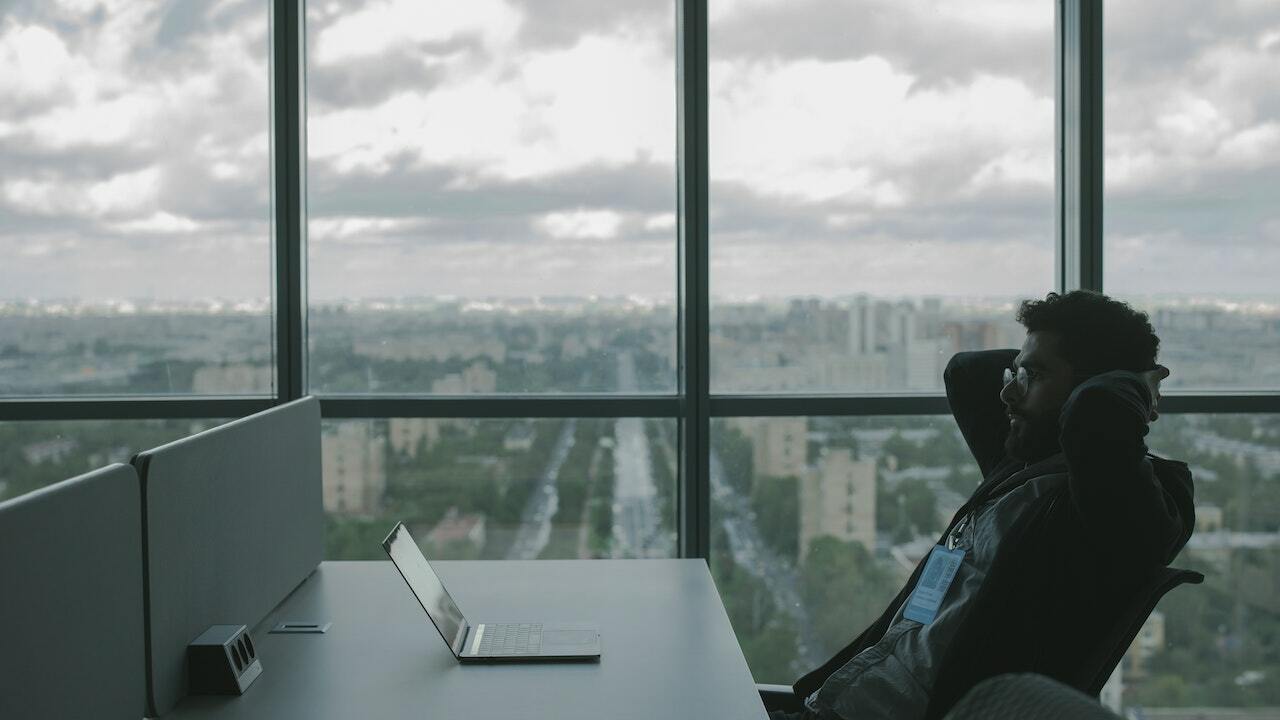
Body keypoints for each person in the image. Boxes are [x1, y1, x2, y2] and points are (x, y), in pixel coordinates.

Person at [770, 290, 1195, 720]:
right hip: (835, 703)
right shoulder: (1018, 464)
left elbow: (1095, 415)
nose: (1008, 393)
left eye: (1032, 376)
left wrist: (1128, 383)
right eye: (1017, 372)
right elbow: (966, 373)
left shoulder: (1120, 512)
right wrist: (1041, 370)